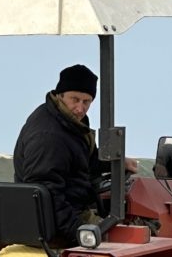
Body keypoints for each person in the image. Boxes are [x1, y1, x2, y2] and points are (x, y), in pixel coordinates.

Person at [13, 63, 137, 244]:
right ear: (60, 95)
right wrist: (79, 232)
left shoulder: (68, 123)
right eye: (75, 99)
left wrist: (118, 163)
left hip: (68, 211)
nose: (80, 108)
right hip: (58, 222)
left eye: (86, 102)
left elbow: (82, 161)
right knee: (130, 240)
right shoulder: (50, 135)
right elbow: (47, 194)